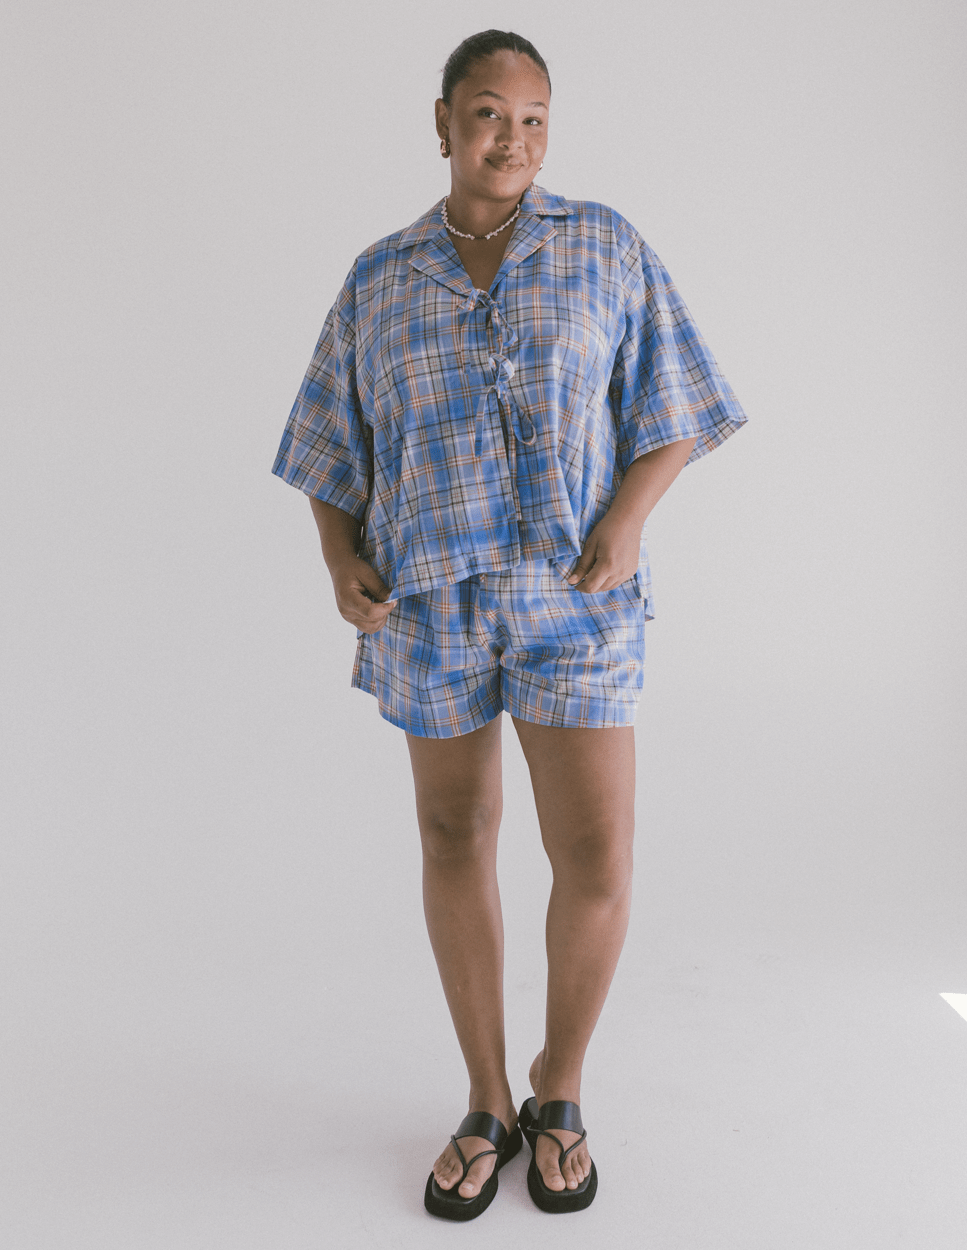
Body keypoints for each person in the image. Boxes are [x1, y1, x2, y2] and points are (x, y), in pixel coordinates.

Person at [272, 28, 748, 1220]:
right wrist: (337, 558)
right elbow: (329, 443)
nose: (513, 140)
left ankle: (558, 1084)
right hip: (427, 606)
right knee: (453, 835)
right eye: (489, 114)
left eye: (534, 119)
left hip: (572, 602)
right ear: (442, 122)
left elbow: (677, 405)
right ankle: (485, 1096)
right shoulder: (379, 278)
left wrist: (627, 521)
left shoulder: (604, 247)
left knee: (597, 854)